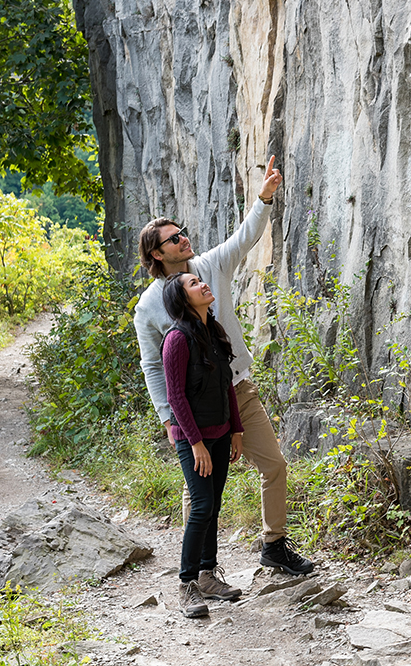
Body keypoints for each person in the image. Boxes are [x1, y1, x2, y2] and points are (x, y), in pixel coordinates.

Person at [133, 155, 315, 587]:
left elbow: (244, 238)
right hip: (193, 408)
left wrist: (264, 198)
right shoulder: (149, 306)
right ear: (157, 254)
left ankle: (273, 546)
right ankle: (198, 571)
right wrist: (168, 417)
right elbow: (152, 365)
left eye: (183, 233)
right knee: (200, 493)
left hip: (238, 391)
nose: (184, 239)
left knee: (274, 465)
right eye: (174, 239)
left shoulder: (209, 267)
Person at [161, 272, 244, 617]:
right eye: (194, 284)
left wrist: (236, 430)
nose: (203, 285)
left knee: (215, 504)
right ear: (183, 299)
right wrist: (195, 443)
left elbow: (228, 384)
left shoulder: (213, 330)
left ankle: (209, 576)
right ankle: (187, 584)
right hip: (193, 440)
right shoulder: (176, 340)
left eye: (200, 281)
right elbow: (175, 396)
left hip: (221, 434)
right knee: (201, 505)